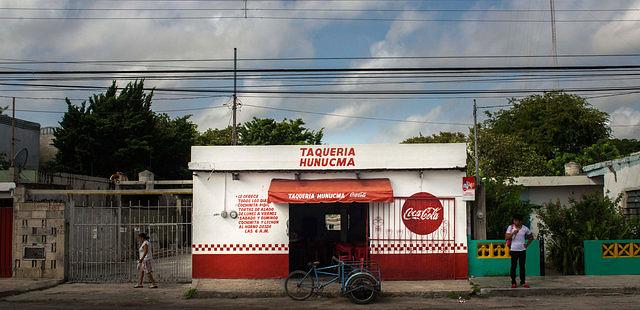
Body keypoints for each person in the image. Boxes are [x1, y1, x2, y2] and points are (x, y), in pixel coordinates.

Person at [505, 214, 533, 288]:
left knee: (522, 266)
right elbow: (506, 237)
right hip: (513, 250)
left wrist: (527, 245)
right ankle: (513, 282)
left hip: (522, 250)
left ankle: (523, 282)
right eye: (514, 220)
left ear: (521, 221)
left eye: (517, 220)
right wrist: (513, 233)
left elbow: (531, 237)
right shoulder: (510, 227)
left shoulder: (525, 228)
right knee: (513, 266)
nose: (515, 222)